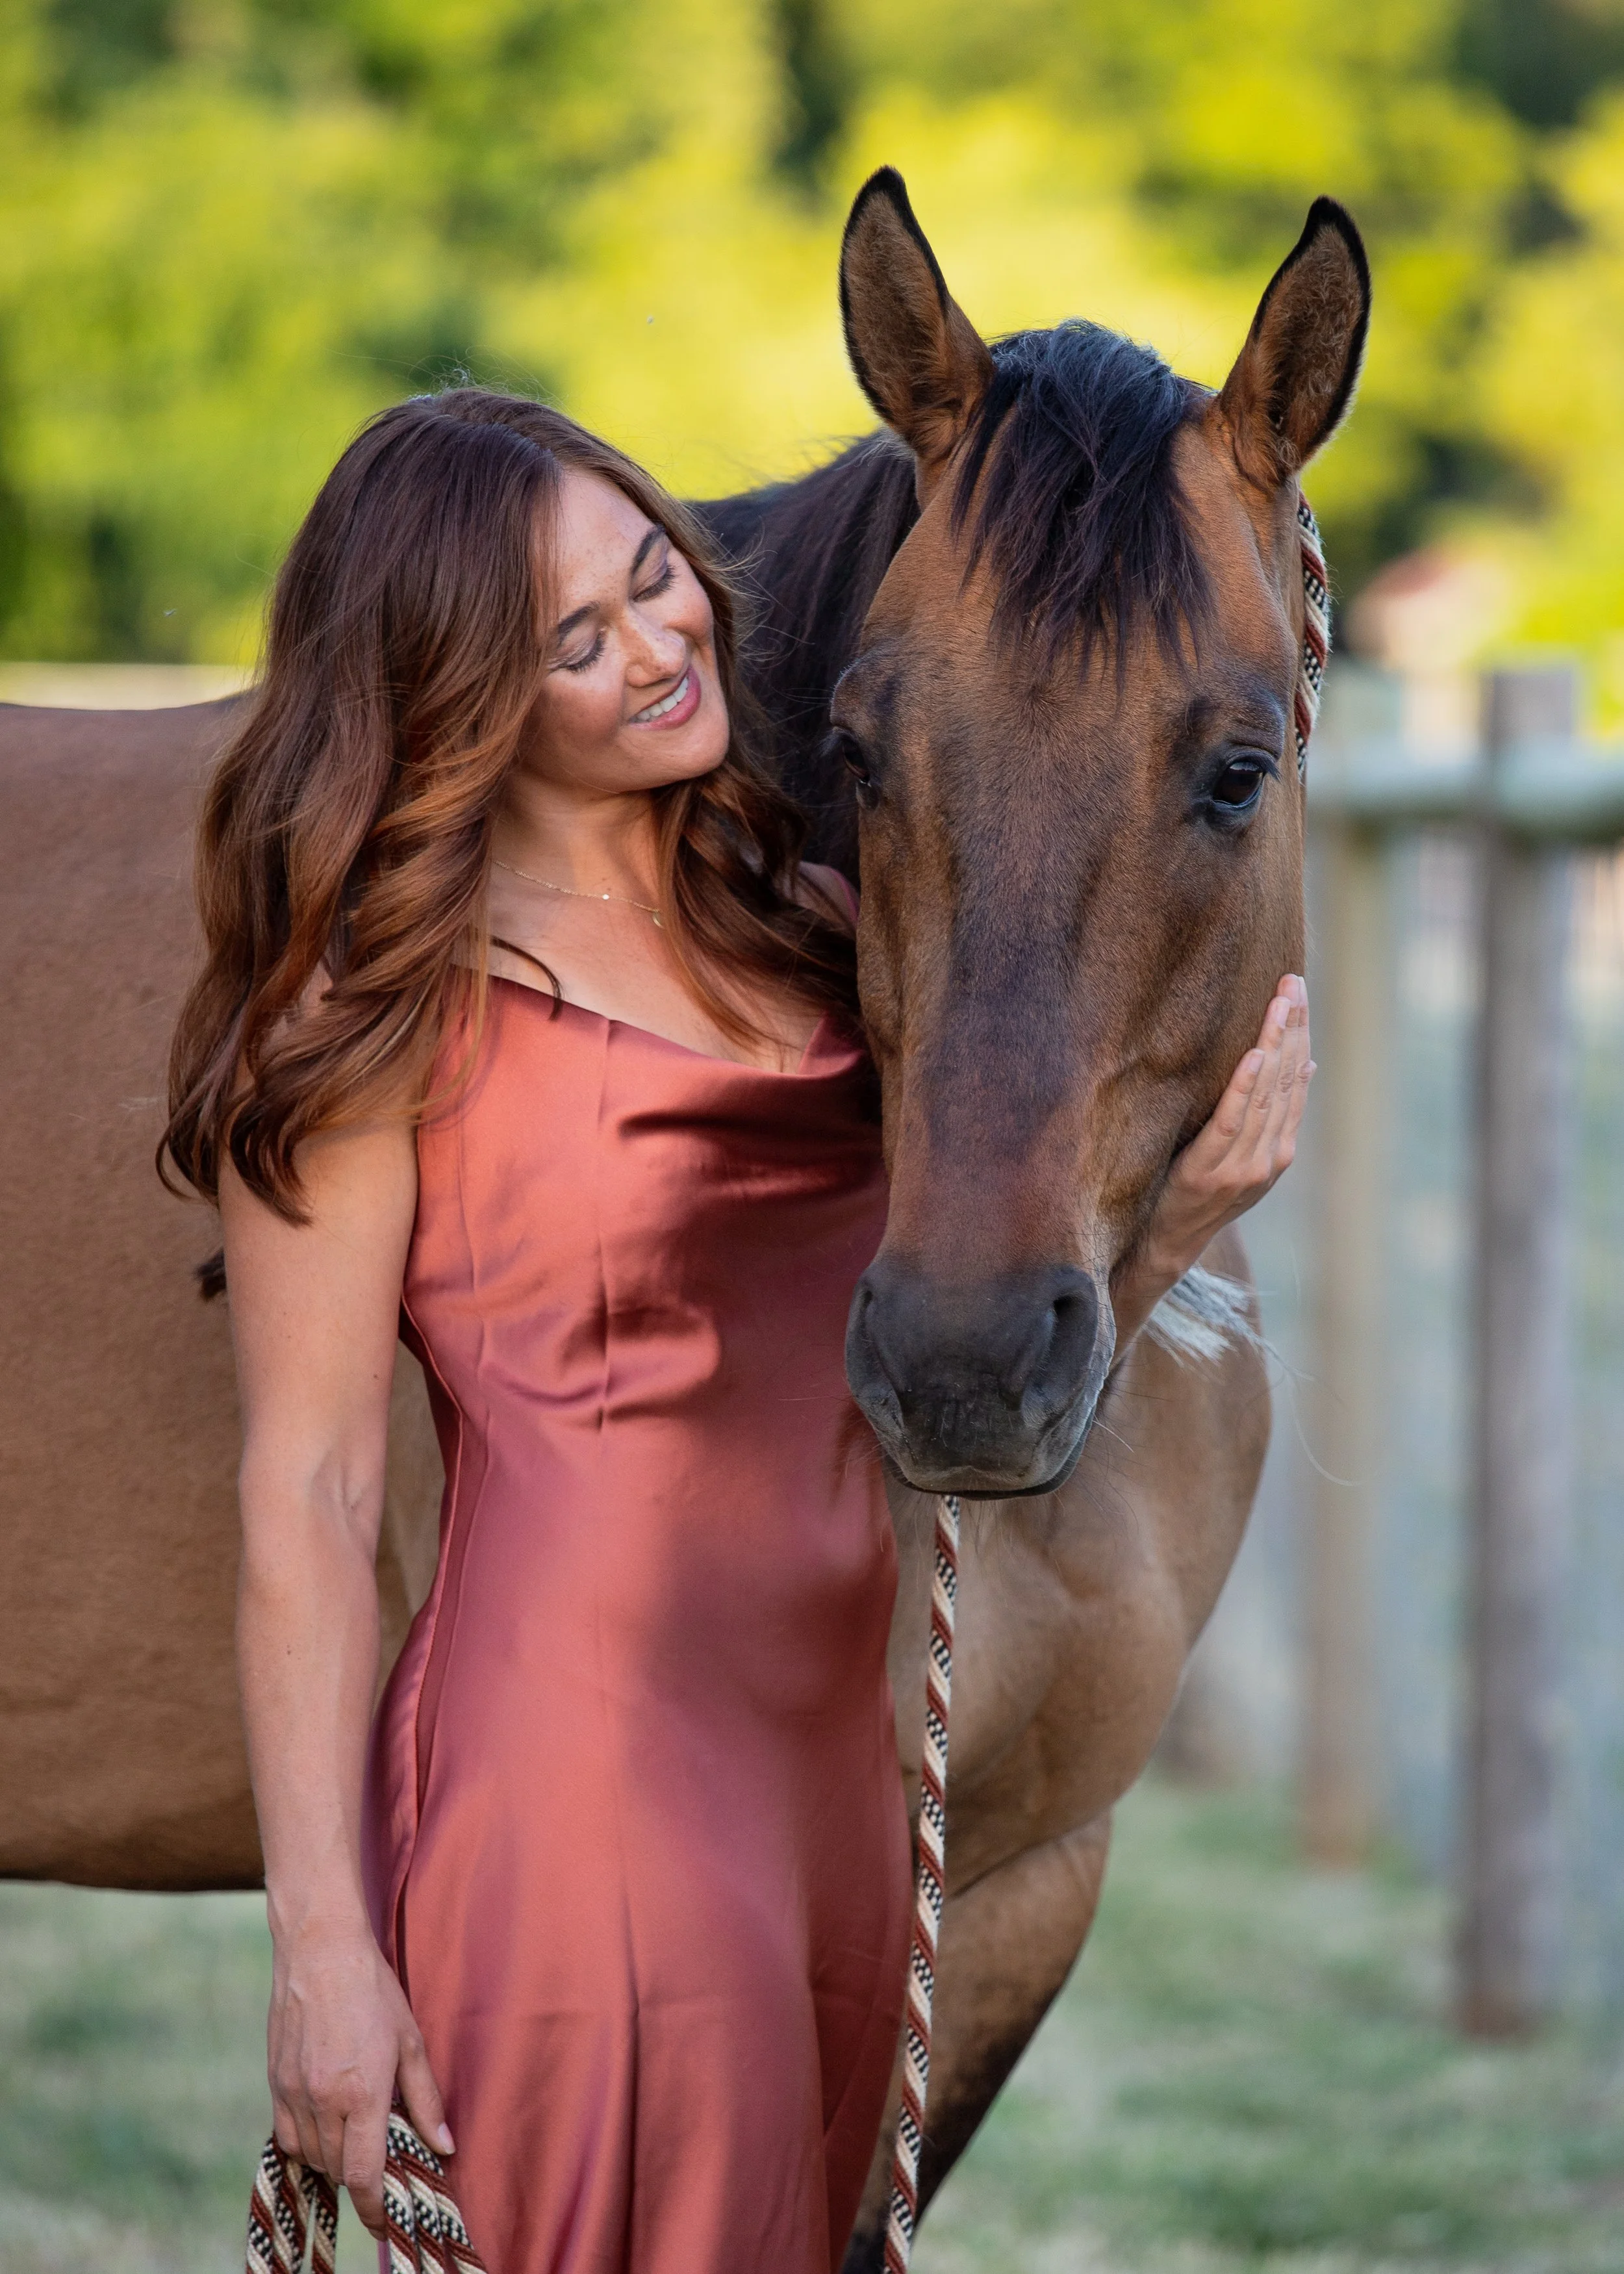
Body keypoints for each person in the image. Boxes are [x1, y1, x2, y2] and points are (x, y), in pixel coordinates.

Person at [162, 387, 1311, 2273]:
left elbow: (855, 1362)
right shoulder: (372, 1019)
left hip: (820, 1782)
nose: (657, 644)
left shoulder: (809, 929)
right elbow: (307, 1483)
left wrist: (1184, 1206)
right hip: (579, 1782)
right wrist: (321, 1948)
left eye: (648, 576)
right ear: (464, 693)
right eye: (572, 640)